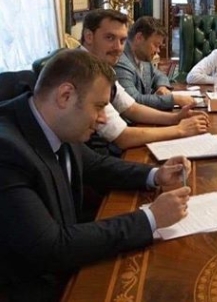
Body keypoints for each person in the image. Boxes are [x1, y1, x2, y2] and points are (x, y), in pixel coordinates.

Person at [0, 50, 191, 302]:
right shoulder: (7, 150)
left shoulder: (54, 121)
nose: (102, 119)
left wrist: (156, 175)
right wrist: (150, 218)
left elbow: (97, 165)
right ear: (65, 96)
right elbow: (51, 248)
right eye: (99, 107)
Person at [81, 9, 209, 151]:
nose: (118, 48)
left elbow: (132, 108)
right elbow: (122, 137)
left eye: (122, 40)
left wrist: (175, 118)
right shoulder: (83, 72)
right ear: (89, 36)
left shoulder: (102, 66)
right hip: (95, 156)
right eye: (110, 38)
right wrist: (180, 129)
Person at [115, 16, 195, 111]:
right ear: (139, 38)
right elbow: (133, 101)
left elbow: (159, 75)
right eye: (156, 45)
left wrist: (162, 87)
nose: (158, 50)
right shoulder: (121, 61)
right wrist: (173, 100)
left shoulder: (142, 56)